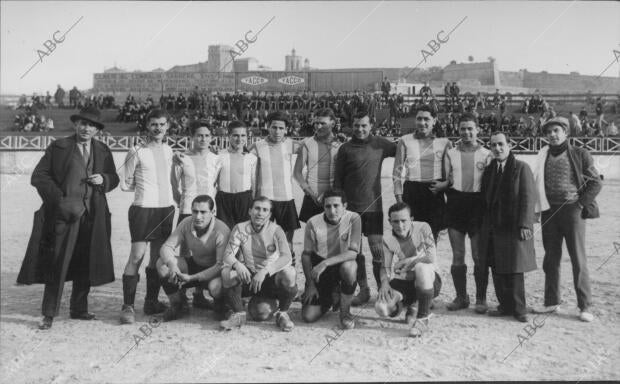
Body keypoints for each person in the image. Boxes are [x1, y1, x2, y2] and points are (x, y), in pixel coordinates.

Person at [18, 106, 119, 330]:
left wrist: (104, 179)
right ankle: (49, 313)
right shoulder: (60, 146)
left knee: (86, 262)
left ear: (97, 130)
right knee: (58, 264)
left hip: (93, 215)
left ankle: (79, 308)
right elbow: (39, 176)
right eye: (82, 123)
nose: (86, 128)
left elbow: (114, 178)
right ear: (76, 124)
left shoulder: (103, 150)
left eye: (91, 125)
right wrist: (59, 200)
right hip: (64, 216)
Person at [532, 117, 602, 322]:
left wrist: (580, 204)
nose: (552, 135)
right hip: (549, 211)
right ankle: (551, 301)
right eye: (548, 132)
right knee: (550, 258)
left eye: (556, 131)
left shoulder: (580, 154)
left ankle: (585, 305)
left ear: (566, 132)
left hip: (572, 211)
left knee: (578, 258)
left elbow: (596, 183)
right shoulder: (543, 155)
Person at [119, 109, 177, 324]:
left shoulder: (169, 150)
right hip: (143, 209)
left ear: (167, 127)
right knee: (137, 256)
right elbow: (126, 183)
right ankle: (128, 307)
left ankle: (151, 302)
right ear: (147, 126)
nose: (158, 128)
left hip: (165, 209)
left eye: (162, 124)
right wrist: (144, 189)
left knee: (157, 258)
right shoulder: (136, 151)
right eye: (154, 124)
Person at [334, 109, 397, 306]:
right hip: (350, 211)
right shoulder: (345, 149)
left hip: (374, 207)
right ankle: (364, 290)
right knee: (356, 253)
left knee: (378, 251)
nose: (360, 129)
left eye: (364, 125)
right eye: (356, 125)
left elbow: (403, 151)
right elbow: (337, 181)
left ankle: (382, 289)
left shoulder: (381, 144)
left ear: (371, 126)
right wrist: (339, 207)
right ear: (351, 126)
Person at [478, 132, 537, 323]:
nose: (497, 148)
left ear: (509, 145)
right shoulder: (489, 170)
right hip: (493, 226)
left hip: (513, 226)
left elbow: (528, 198)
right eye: (493, 145)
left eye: (501, 144)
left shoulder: (521, 168)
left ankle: (519, 308)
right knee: (496, 266)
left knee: (514, 268)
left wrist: (525, 224)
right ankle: (504, 306)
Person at [219, 197, 298, 332]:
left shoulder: (276, 230)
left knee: (289, 273)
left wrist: (265, 271)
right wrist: (238, 265)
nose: (260, 213)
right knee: (226, 273)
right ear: (250, 211)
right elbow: (227, 255)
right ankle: (239, 314)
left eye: (264, 210)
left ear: (270, 214)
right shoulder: (240, 228)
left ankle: (283, 313)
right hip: (250, 276)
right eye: (257, 208)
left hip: (270, 278)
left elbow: (286, 257)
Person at [443, 113, 493, 313]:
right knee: (458, 254)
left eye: (470, 128)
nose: (466, 132)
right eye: (463, 128)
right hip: (456, 204)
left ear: (478, 130)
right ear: (458, 130)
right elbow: (446, 180)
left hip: (477, 206)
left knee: (478, 256)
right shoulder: (451, 153)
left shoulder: (486, 154)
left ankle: (480, 299)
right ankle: (461, 297)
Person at [156, 195, 230, 321]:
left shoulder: (221, 230)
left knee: (216, 287)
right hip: (196, 264)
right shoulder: (186, 222)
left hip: (213, 272)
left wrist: (191, 278)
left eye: (203, 212)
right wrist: (173, 266)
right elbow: (166, 247)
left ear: (213, 212)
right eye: (195, 211)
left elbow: (220, 265)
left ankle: (221, 304)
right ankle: (178, 304)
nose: (198, 216)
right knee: (162, 264)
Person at [171, 119, 220, 308]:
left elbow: (217, 185)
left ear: (211, 138)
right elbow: (173, 185)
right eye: (199, 135)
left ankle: (199, 294)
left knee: (205, 253)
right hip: (187, 212)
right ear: (192, 137)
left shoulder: (216, 159)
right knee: (184, 252)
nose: (203, 138)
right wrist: (183, 204)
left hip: (208, 213)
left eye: (207, 135)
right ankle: (182, 293)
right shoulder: (182, 158)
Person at [374, 203, 442, 337]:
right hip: (406, 280)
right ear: (389, 222)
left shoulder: (423, 227)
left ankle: (422, 319)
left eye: (403, 220)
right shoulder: (388, 239)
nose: (400, 225)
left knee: (421, 267)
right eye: (395, 221)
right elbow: (385, 268)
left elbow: (431, 257)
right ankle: (413, 303)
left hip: (430, 279)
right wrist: (384, 283)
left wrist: (408, 261)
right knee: (381, 308)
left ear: (411, 219)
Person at [301, 190, 360, 329]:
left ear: (344, 206)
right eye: (328, 206)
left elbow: (353, 253)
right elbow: (306, 255)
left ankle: (345, 312)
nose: (332, 210)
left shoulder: (354, 218)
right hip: (322, 270)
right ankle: (331, 296)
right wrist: (310, 284)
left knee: (349, 267)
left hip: (340, 264)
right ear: (323, 207)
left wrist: (325, 263)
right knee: (308, 316)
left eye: (336, 205)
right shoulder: (312, 222)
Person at [393, 105, 452, 241]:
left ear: (434, 120)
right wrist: (399, 199)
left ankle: (431, 262)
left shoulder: (444, 143)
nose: (422, 122)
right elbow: (396, 173)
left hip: (434, 192)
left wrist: (443, 186)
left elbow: (449, 175)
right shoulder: (405, 140)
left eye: (426, 119)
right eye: (419, 118)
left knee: (432, 238)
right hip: (411, 191)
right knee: (411, 238)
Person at [249, 111, 301, 263]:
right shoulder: (257, 146)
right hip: (265, 200)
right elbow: (240, 157)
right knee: (263, 240)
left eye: (281, 128)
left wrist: (336, 143)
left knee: (287, 241)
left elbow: (312, 148)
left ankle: (289, 270)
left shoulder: (291, 144)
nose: (277, 131)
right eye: (274, 127)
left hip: (286, 198)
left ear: (286, 129)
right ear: (267, 127)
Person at [293, 108, 341, 223]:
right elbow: (297, 172)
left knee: (333, 236)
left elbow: (343, 174)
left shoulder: (340, 145)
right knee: (312, 236)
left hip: (333, 198)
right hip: (311, 198)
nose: (318, 127)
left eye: (322, 123)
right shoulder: (307, 143)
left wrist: (330, 193)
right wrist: (308, 191)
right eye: (316, 123)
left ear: (333, 124)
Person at [214, 121, 257, 229]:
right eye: (235, 135)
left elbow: (254, 183)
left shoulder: (252, 158)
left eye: (243, 135)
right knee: (224, 233)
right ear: (229, 136)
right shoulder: (219, 156)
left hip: (244, 200)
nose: (239, 139)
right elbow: (212, 181)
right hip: (224, 200)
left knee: (244, 234)